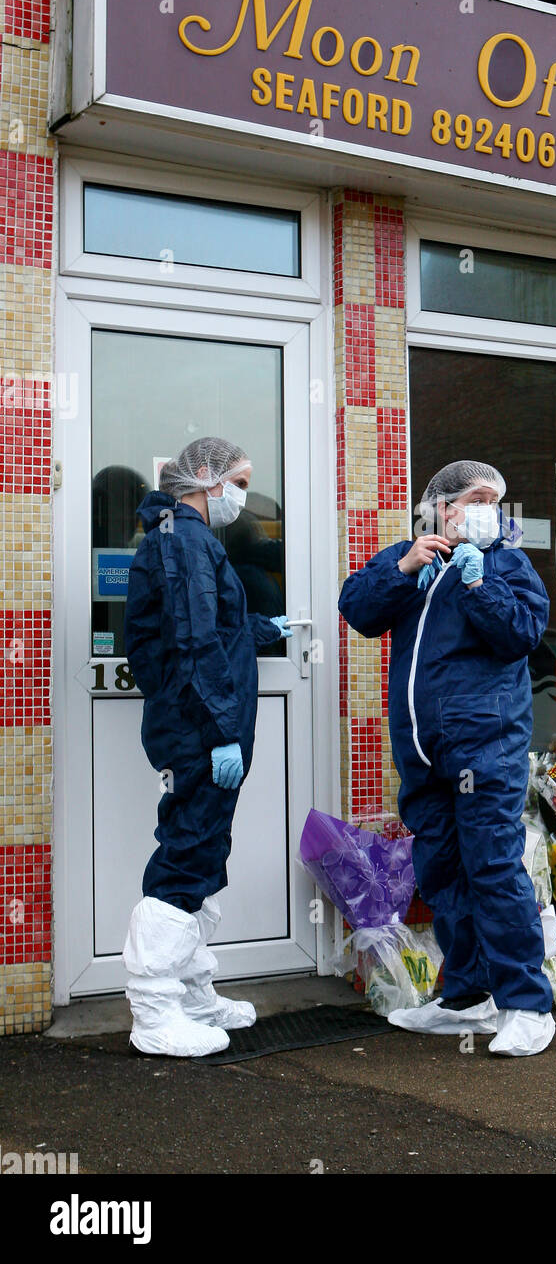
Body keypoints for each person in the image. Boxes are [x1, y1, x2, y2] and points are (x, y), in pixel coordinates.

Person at [338, 460, 555, 1057]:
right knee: (442, 873)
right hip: (422, 752)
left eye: (494, 499)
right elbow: (357, 610)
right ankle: (466, 996)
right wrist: (405, 568)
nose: (487, 509)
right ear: (439, 506)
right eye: (474, 499)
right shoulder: (412, 557)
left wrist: (478, 582)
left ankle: (527, 1004)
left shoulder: (507, 562)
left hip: (485, 748)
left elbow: (521, 636)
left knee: (492, 869)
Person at [121, 437, 292, 1057]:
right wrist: (222, 733)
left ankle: (192, 992)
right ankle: (154, 1009)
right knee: (188, 849)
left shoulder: (184, 537)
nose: (243, 495)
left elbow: (202, 626)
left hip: (195, 723)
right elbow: (192, 644)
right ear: (205, 477)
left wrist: (256, 627)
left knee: (204, 847)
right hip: (199, 729)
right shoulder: (185, 539)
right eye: (239, 481)